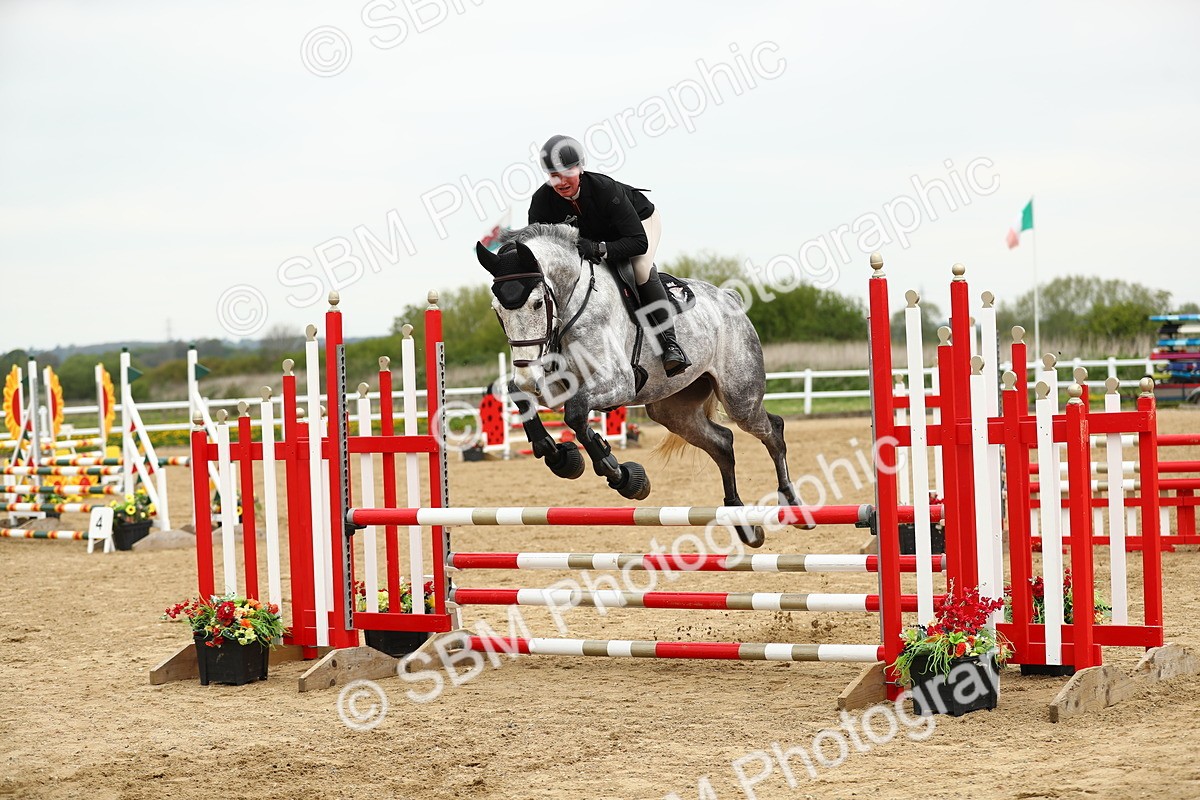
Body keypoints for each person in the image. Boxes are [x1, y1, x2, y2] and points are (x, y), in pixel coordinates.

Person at [527, 134, 691, 377]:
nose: (561, 182)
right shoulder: (542, 202)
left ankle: (669, 343)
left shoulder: (605, 189)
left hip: (639, 225)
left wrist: (599, 249)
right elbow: (538, 249)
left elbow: (638, 242)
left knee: (641, 270)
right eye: (554, 176)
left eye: (567, 173)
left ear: (580, 168)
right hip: (595, 239)